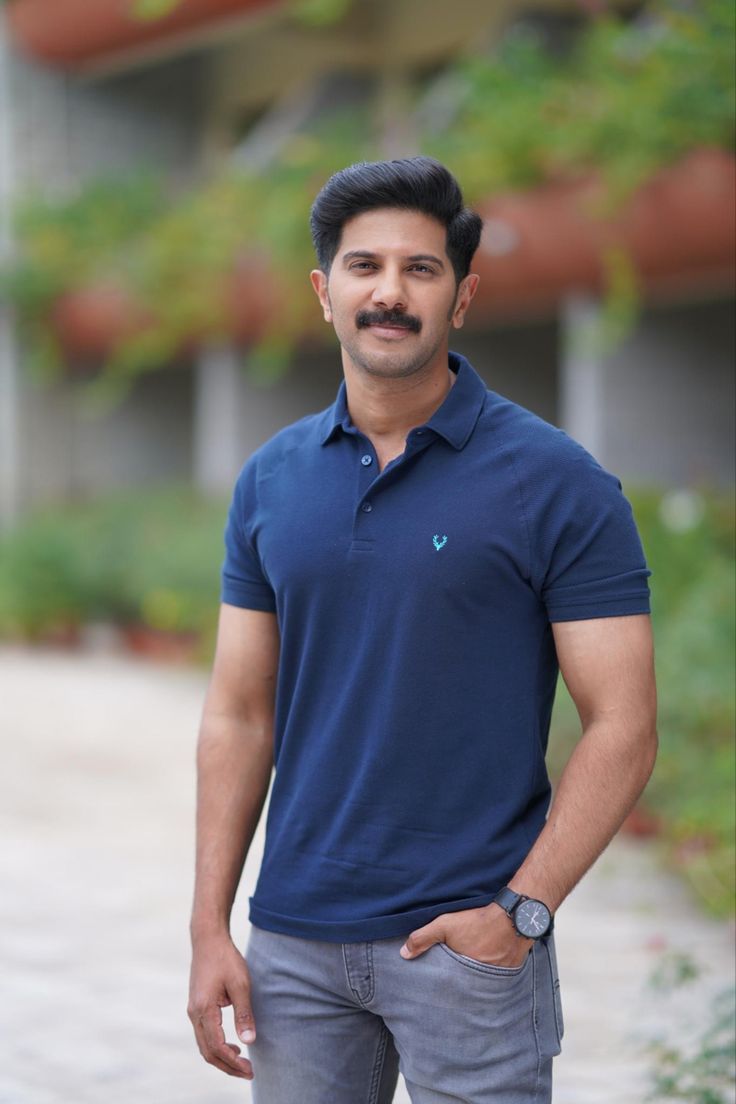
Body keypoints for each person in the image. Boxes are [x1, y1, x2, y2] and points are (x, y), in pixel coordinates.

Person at [187, 156, 658, 1103]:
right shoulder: (271, 480)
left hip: (469, 950)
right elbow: (239, 714)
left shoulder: (557, 482)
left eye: (421, 269)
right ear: (324, 293)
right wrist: (210, 928)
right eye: (364, 268)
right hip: (296, 946)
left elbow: (625, 724)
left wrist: (521, 912)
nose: (389, 294)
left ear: (463, 294)